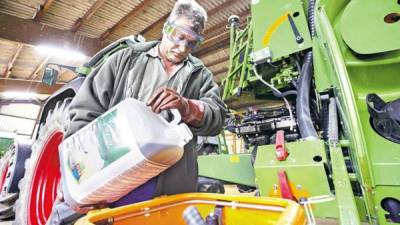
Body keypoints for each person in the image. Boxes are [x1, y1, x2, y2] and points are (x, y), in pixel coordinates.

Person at [63, 0, 226, 212]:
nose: (183, 48)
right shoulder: (124, 61)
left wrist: (187, 107)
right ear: (166, 28)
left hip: (170, 187)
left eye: (192, 43)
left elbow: (217, 117)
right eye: (179, 36)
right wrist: (74, 176)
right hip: (117, 180)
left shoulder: (200, 76)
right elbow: (84, 113)